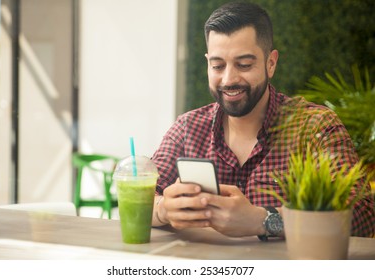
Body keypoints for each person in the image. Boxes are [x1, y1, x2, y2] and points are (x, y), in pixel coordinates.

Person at [150, 1, 374, 238]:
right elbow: (137, 200)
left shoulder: (315, 127)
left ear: (271, 63)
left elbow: (361, 214)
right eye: (217, 65)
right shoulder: (188, 127)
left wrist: (264, 220)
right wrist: (163, 209)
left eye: (244, 64)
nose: (228, 79)